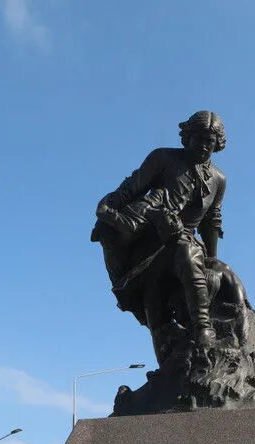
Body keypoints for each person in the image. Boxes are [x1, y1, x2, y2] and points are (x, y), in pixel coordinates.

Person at [92, 110, 228, 361]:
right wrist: (107, 210)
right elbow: (131, 189)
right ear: (187, 137)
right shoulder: (163, 158)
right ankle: (165, 376)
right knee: (155, 313)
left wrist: (212, 258)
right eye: (199, 138)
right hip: (151, 240)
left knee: (187, 253)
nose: (204, 146)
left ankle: (203, 328)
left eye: (210, 141)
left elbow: (211, 221)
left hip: (186, 241)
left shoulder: (219, 179)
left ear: (218, 144)